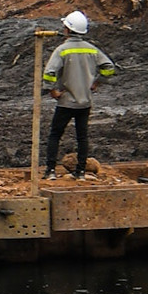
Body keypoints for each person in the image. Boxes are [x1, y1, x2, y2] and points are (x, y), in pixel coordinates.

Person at [42, 10, 116, 179]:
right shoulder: (92, 50)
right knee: (82, 136)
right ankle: (81, 172)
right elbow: (109, 68)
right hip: (85, 102)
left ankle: (50, 171)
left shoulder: (62, 50)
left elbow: (49, 73)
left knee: (55, 134)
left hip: (66, 101)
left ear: (67, 29)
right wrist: (97, 82)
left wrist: (52, 90)